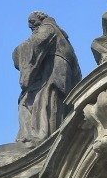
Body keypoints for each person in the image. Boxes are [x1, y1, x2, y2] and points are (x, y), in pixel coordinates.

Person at [13, 12, 81, 146]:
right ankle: (41, 136)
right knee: (39, 100)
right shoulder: (59, 34)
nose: (30, 26)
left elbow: (35, 44)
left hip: (53, 71)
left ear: (41, 19)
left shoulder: (48, 28)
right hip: (54, 72)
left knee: (41, 99)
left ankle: (39, 137)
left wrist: (17, 52)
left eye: (32, 22)